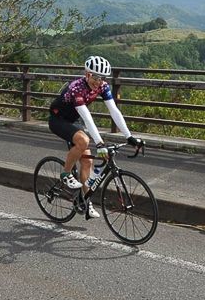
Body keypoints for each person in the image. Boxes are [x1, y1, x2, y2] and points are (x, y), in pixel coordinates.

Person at [47, 55, 143, 217]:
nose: (99, 82)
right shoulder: (76, 87)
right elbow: (87, 116)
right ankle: (65, 174)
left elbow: (114, 111)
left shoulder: (103, 87)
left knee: (87, 162)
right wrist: (99, 143)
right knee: (84, 141)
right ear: (87, 75)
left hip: (73, 119)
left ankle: (84, 201)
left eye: (102, 78)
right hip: (58, 119)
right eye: (96, 77)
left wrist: (129, 137)